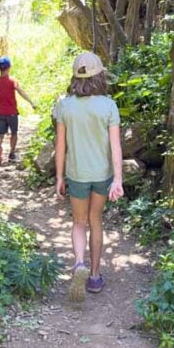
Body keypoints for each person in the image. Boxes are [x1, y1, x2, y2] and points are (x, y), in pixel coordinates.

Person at [53, 51, 124, 301]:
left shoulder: (64, 105)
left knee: (78, 223)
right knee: (96, 221)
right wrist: (118, 179)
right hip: (102, 175)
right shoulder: (108, 106)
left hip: (77, 174)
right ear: (100, 76)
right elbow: (116, 147)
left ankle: (79, 263)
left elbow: (60, 146)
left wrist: (59, 177)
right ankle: (94, 276)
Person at [0, 56, 36, 165]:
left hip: (0, 112)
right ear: (9, 67)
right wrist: (31, 102)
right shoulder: (12, 81)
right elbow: (21, 91)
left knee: (0, 134)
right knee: (14, 133)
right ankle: (11, 153)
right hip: (12, 113)